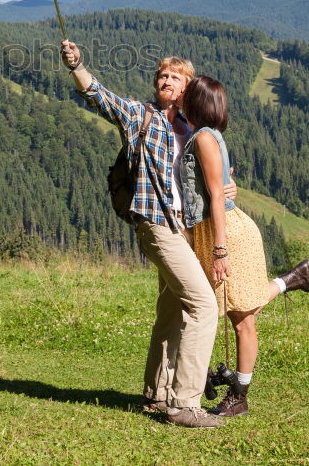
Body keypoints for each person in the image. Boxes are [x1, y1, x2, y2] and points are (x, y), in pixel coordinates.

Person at [60, 39, 228, 428]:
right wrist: (76, 65)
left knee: (171, 309)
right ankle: (185, 403)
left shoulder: (192, 129)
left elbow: (207, 179)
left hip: (183, 228)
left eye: (175, 76)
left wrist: (227, 186)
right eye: (162, 76)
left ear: (188, 87)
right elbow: (98, 96)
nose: (166, 80)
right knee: (203, 305)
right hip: (155, 224)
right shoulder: (141, 116)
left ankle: (156, 395)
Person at [178, 75, 309, 418]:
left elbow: (216, 197)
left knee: (242, 318)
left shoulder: (204, 140)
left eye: (187, 95)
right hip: (218, 230)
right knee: (228, 308)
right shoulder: (205, 135)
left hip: (226, 232)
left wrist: (219, 250)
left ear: (196, 104)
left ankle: (239, 394)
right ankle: (294, 278)